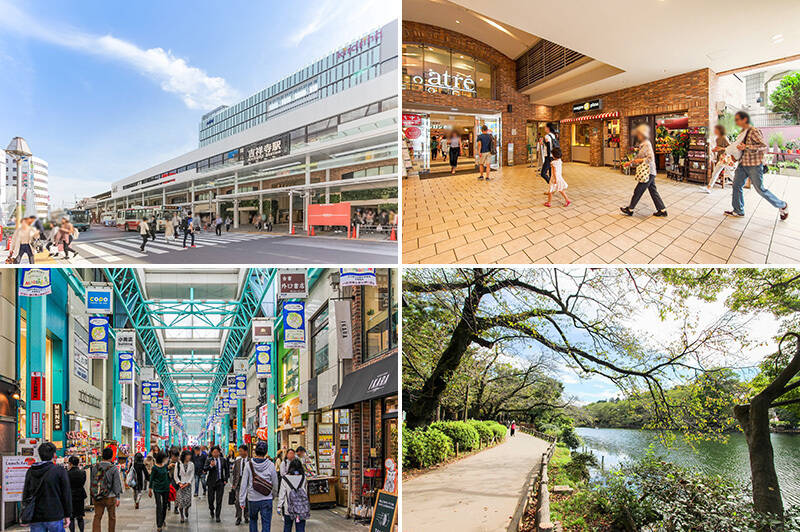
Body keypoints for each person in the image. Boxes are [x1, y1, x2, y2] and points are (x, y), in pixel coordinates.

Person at [725, 110, 788, 220]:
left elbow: (763, 146)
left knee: (760, 189)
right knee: (736, 185)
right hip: (742, 164)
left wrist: (747, 147)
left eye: (737, 120)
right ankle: (738, 210)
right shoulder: (742, 133)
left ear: (744, 119)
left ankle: (782, 205)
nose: (736, 122)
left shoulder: (754, 131)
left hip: (754, 165)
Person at [620, 124, 668, 217]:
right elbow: (638, 157)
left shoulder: (646, 143)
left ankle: (630, 209)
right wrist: (630, 163)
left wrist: (640, 160)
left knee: (638, 190)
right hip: (650, 172)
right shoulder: (643, 144)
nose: (637, 135)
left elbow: (649, 158)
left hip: (648, 172)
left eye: (638, 134)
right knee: (653, 191)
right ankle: (662, 210)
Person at [22, 442, 72, 532]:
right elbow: (66, 494)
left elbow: (26, 493)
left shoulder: (31, 471)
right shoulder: (59, 471)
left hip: (36, 516)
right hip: (55, 514)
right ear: (54, 455)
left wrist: (25, 512)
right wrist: (67, 515)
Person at [239, 441, 278, 532]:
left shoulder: (249, 464)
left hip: (253, 499)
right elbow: (275, 482)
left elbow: (244, 483)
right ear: (266, 452)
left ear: (255, 451)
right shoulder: (271, 465)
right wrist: (273, 495)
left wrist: (242, 500)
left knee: (253, 521)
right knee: (266, 522)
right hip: (266, 498)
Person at [90, 447, 122, 532]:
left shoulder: (95, 467)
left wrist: (93, 495)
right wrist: (118, 497)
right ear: (111, 457)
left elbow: (93, 482)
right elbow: (116, 484)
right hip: (110, 497)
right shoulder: (113, 468)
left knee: (97, 517)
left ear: (102, 456)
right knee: (112, 517)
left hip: (98, 496)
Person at [277, 458, 310, 532]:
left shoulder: (285, 478)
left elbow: (282, 494)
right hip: (301, 508)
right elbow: (305, 492)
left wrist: (279, 506)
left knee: (287, 527)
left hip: (288, 509)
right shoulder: (304, 478)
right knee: (300, 528)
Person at [703, 124, 734, 193]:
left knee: (730, 174)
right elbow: (719, 148)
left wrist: (721, 148)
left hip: (725, 159)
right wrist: (715, 150)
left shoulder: (724, 137)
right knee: (715, 173)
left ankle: (738, 187)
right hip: (720, 159)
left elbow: (730, 147)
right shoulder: (717, 138)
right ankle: (709, 188)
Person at [204, 445, 229, 522]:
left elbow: (226, 470)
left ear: (219, 452)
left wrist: (225, 479)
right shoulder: (209, 460)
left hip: (220, 482)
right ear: (211, 453)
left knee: (219, 500)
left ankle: (218, 515)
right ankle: (211, 509)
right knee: (210, 499)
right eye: (214, 452)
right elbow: (205, 469)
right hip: (211, 482)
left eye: (217, 452)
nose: (215, 454)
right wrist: (211, 466)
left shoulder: (222, 460)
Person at [148, 451, 170, 532]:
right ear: (161, 458)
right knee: (159, 506)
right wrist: (150, 489)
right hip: (157, 488)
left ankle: (162, 519)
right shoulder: (154, 468)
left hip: (166, 487)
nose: (166, 459)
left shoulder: (165, 466)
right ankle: (159, 525)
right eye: (165, 458)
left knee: (165, 505)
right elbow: (151, 478)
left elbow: (167, 475)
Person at [231, 444, 250, 525]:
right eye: (239, 451)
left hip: (248, 484)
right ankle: (238, 517)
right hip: (239, 483)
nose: (240, 453)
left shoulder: (251, 461)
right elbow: (235, 473)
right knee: (238, 501)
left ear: (246, 451)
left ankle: (246, 516)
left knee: (247, 500)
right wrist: (233, 484)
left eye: (241, 451)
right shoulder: (237, 461)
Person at [174, 450, 194, 523]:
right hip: (180, 485)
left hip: (188, 485)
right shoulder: (178, 464)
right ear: (184, 456)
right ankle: (182, 515)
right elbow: (175, 475)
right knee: (181, 502)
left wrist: (188, 483)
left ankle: (187, 509)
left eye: (190, 455)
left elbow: (192, 475)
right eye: (187, 455)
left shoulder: (191, 464)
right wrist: (179, 483)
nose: (189, 457)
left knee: (188, 501)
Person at [67, 456, 86, 532]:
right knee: (80, 516)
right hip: (80, 495)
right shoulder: (83, 473)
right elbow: (83, 483)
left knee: (71, 517)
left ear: (70, 463)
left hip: (70, 496)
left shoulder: (67, 473)